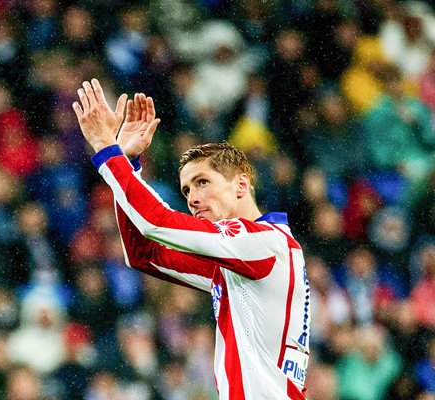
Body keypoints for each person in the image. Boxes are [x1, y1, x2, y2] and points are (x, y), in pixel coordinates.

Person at [72, 79, 310, 399]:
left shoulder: (262, 244)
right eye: (186, 190)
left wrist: (106, 147)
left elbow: (156, 221)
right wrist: (127, 161)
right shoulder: (239, 263)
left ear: (241, 185)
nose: (193, 198)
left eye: (202, 182)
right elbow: (144, 254)